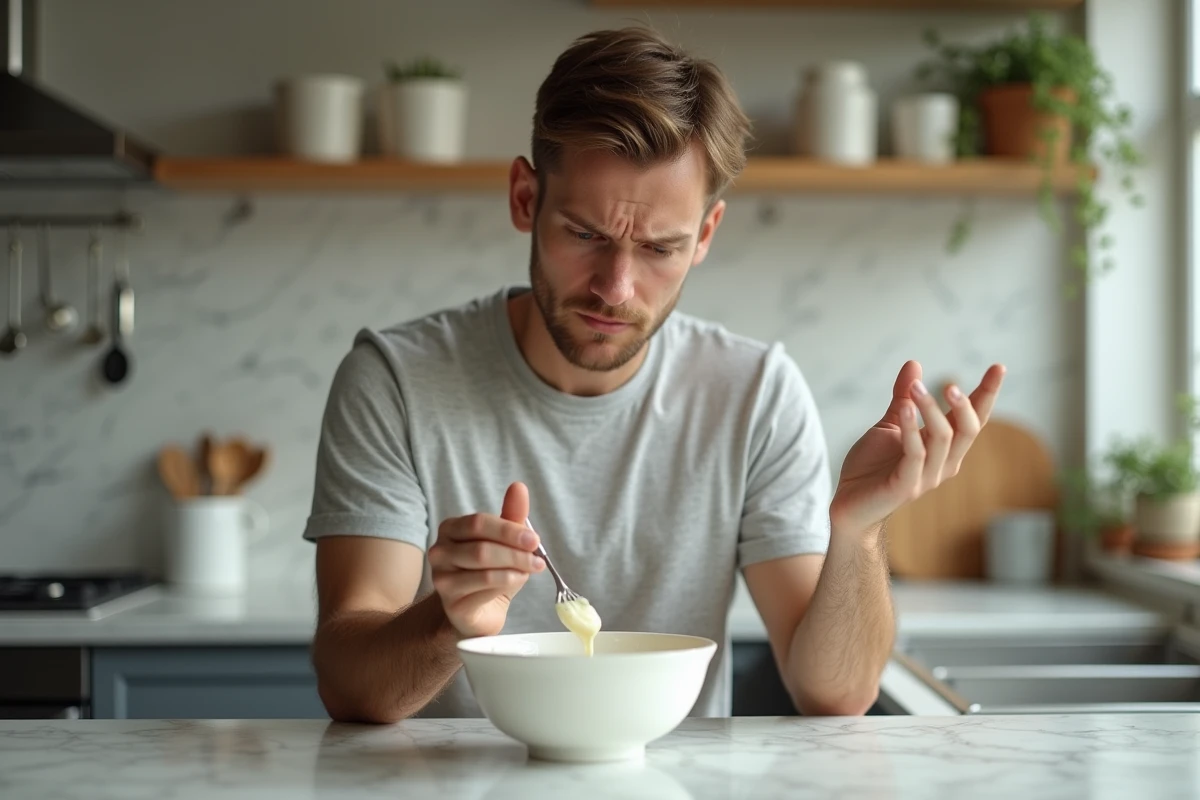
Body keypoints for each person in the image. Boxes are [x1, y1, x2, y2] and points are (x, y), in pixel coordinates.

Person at [303, 26, 1006, 723]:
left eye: (660, 247)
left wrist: (857, 530)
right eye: (585, 235)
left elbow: (836, 694)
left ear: (705, 235)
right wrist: (447, 619)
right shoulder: (395, 380)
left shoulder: (755, 394)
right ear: (525, 198)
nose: (616, 287)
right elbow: (350, 686)